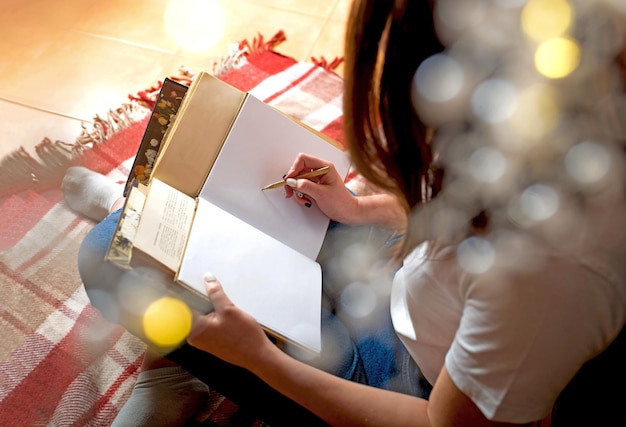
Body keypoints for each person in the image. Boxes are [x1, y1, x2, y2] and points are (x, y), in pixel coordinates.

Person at [65, 0, 626, 425]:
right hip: (415, 281)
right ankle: (155, 260)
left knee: (111, 254)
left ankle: (180, 364)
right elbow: (463, 208)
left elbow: (441, 423)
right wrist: (362, 209)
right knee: (220, 205)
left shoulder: (551, 273)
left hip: (407, 381)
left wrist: (261, 360)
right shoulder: (551, 106)